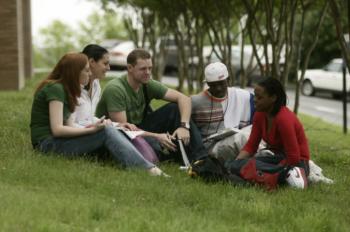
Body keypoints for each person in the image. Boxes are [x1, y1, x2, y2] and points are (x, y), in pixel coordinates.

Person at [30, 52, 166, 176]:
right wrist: (93, 130)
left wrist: (93, 127)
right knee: (106, 132)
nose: (90, 74)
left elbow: (70, 125)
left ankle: (152, 159)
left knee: (113, 129)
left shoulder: (69, 90)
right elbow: (57, 130)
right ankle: (148, 169)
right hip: (46, 145)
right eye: (87, 70)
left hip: (57, 142)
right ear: (75, 72)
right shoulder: (56, 89)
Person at [95, 48, 207, 163]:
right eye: (143, 69)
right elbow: (124, 130)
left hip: (138, 128)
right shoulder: (116, 89)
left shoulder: (147, 83)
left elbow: (184, 99)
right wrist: (157, 136)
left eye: (150, 68)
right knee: (148, 139)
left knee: (174, 109)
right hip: (118, 136)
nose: (148, 72)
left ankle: (200, 159)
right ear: (130, 68)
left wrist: (184, 127)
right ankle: (195, 159)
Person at [229, 77, 310, 189]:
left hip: (297, 166)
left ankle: (266, 179)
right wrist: (236, 162)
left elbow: (294, 158)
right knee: (236, 165)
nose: (254, 100)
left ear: (273, 98)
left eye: (260, 97)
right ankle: (263, 179)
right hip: (278, 160)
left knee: (246, 166)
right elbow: (251, 146)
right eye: (255, 95)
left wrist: (270, 168)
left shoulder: (284, 119)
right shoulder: (259, 114)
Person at [191, 62, 255, 161]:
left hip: (232, 143)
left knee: (253, 134)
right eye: (213, 85)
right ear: (207, 84)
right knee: (243, 138)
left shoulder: (243, 96)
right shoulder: (196, 101)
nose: (218, 88)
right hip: (210, 148)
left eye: (221, 83)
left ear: (228, 80)